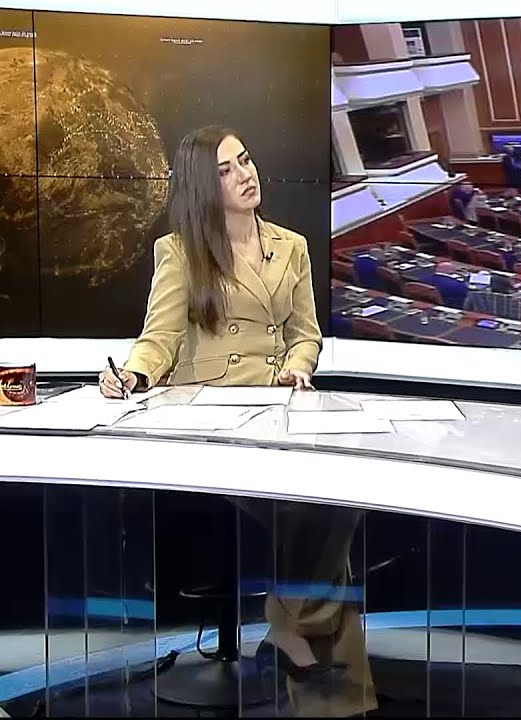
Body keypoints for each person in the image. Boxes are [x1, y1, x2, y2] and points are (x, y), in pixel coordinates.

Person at [98, 126, 374, 717]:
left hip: (283, 414)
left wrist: (298, 368)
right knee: (317, 509)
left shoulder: (291, 246)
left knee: (340, 498)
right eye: (225, 170)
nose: (245, 174)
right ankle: (313, 665)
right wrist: (135, 375)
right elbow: (159, 338)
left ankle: (295, 636)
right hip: (215, 425)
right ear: (205, 185)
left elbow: (306, 335)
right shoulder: (180, 252)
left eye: (244, 160)